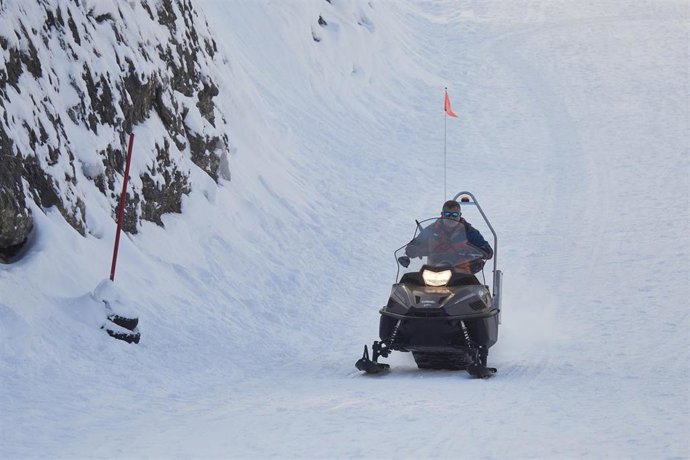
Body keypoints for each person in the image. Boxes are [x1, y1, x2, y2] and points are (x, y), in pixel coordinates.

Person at [405, 200, 493, 273]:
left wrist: (481, 252)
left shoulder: (469, 232)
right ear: (442, 214)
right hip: (434, 273)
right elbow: (415, 243)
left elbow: (488, 250)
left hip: (462, 275)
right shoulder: (432, 230)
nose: (451, 217)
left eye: (455, 215)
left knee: (476, 292)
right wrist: (413, 249)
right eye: (447, 214)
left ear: (460, 215)